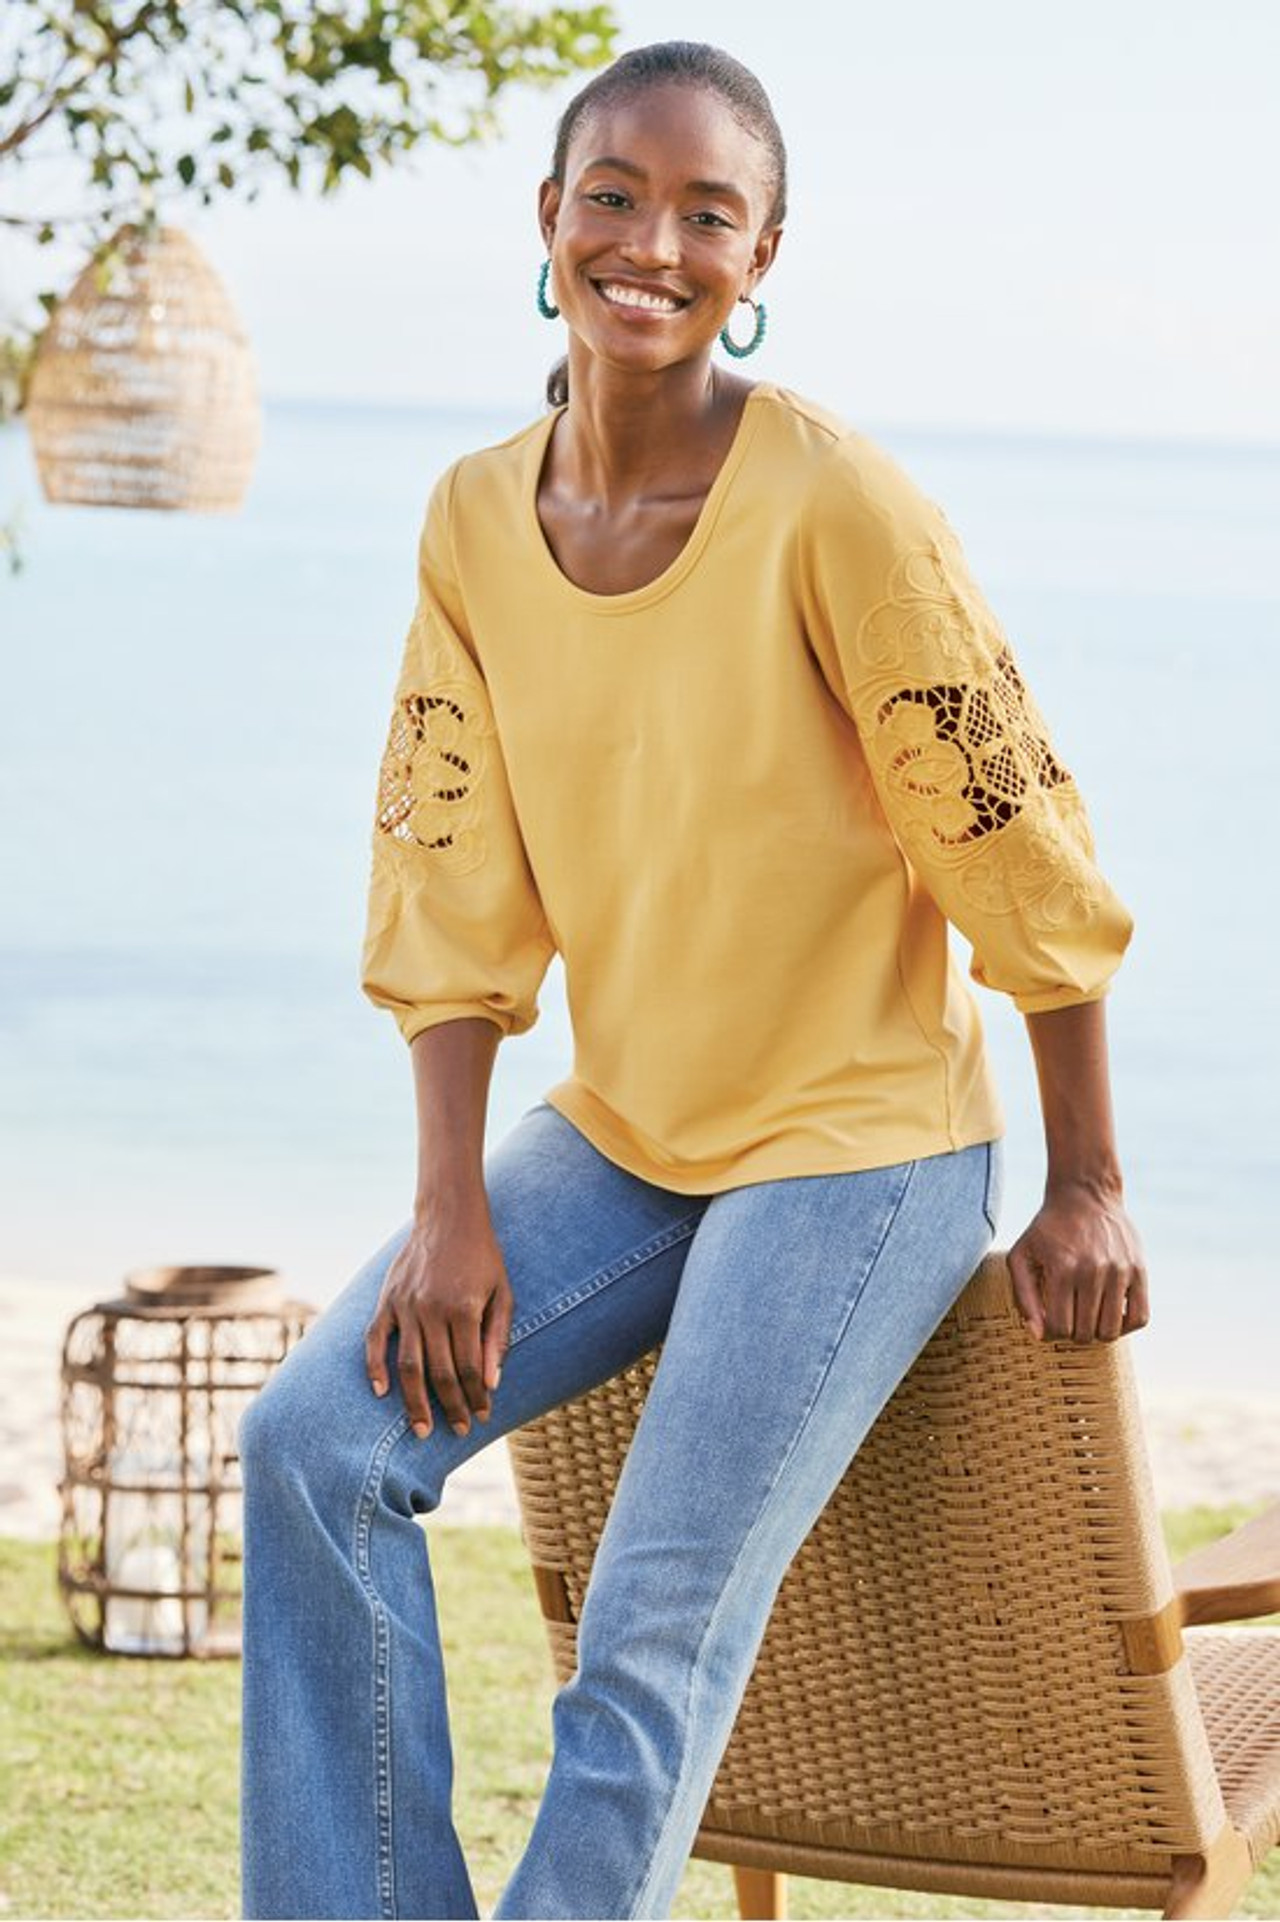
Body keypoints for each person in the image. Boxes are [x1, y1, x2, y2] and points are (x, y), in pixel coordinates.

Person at [237, 39, 1147, 1922]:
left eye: (706, 214)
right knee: (315, 1441)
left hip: (864, 1150)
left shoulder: (836, 501)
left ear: (763, 257)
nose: (652, 245)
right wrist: (446, 1206)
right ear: (548, 221)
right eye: (615, 197)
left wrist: (1089, 1177)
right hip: (636, 1136)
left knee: (646, 1629)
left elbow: (1012, 834)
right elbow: (446, 881)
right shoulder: (473, 519)